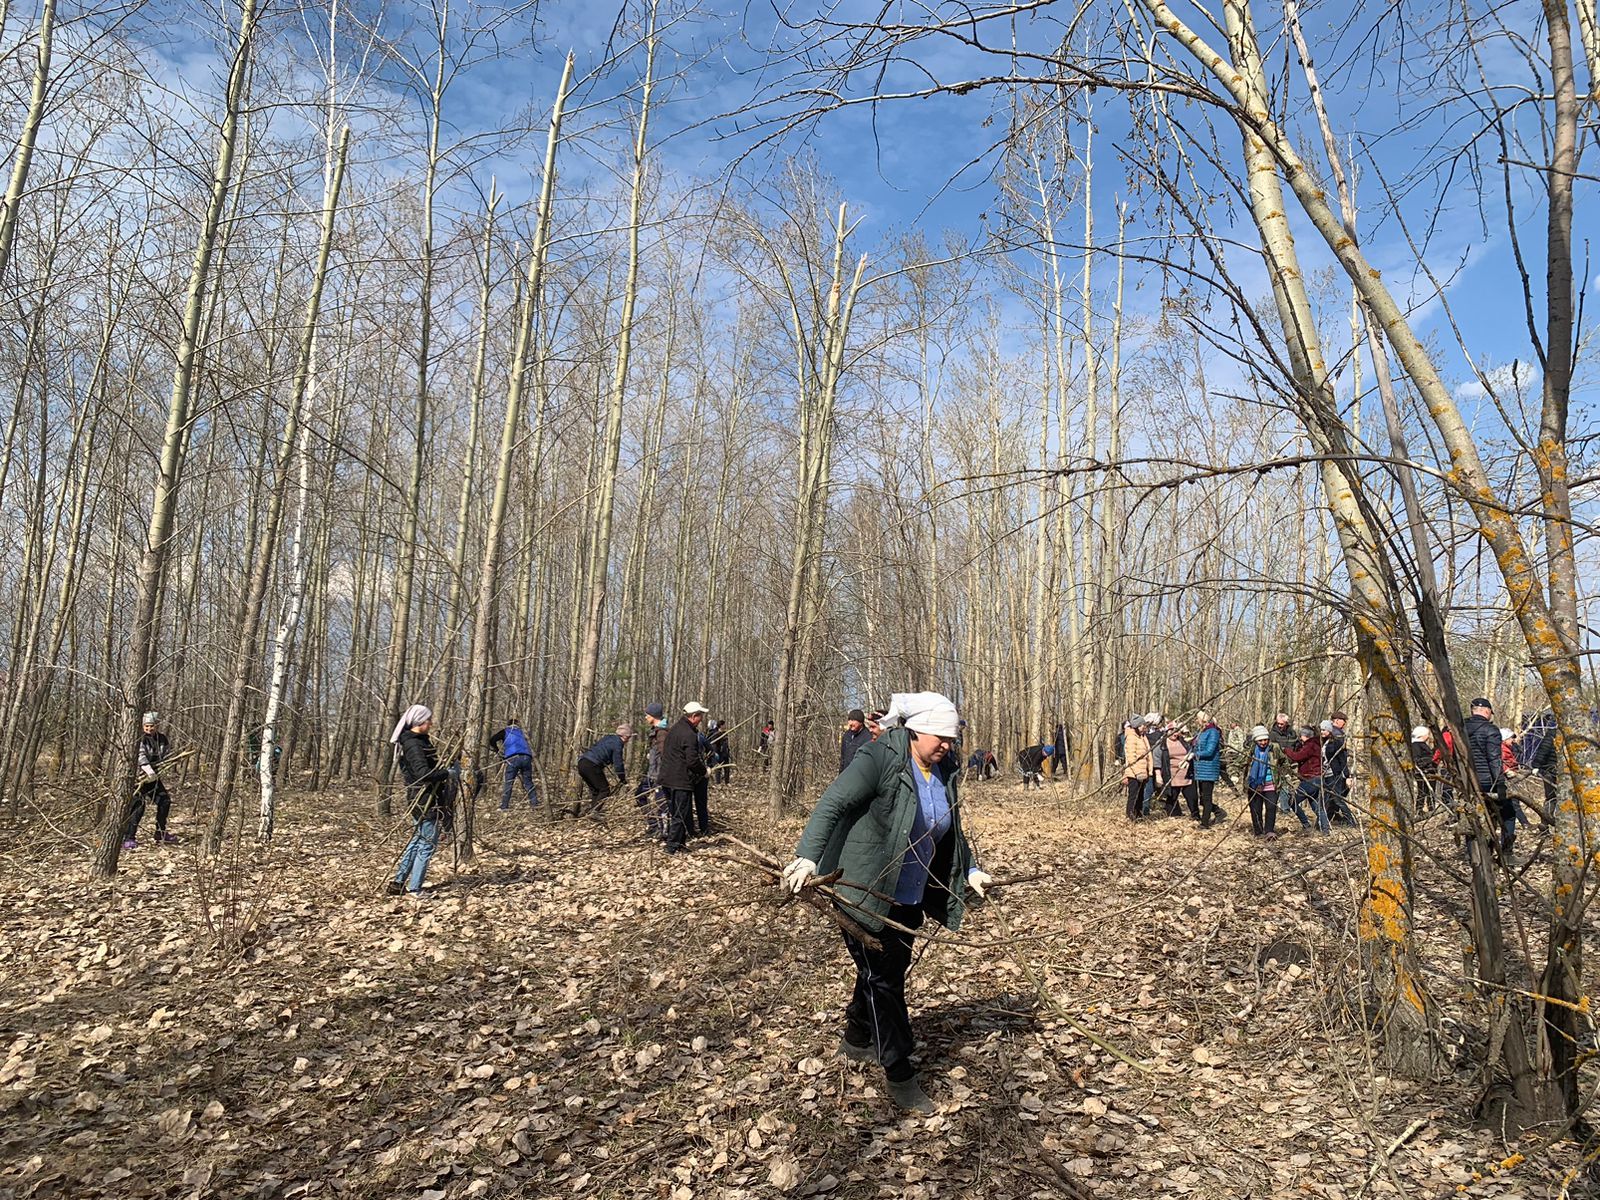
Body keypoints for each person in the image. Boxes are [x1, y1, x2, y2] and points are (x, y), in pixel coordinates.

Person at [781, 692, 994, 1114]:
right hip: (862, 887)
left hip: (910, 892)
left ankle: (856, 1039)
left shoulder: (944, 768)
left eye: (952, 739)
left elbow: (950, 826)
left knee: (884, 970)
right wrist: (807, 856)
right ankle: (900, 1073)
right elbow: (833, 803)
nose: (948, 746)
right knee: (885, 979)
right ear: (916, 731)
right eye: (941, 738)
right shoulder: (879, 759)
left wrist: (970, 869)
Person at [389, 704, 455, 897]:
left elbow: (429, 765)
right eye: (428, 720)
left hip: (426, 797)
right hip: (424, 799)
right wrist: (447, 774)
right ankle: (415, 888)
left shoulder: (420, 741)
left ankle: (398, 882)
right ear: (419, 722)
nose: (431, 723)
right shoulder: (413, 744)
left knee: (417, 840)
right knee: (426, 844)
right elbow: (422, 774)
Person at [1465, 697, 1515, 859]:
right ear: (1487, 711)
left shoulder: (1460, 728)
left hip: (1467, 782)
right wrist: (1500, 783)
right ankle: (1506, 853)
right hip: (1487, 781)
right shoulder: (1490, 730)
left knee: (1472, 815)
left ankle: (1472, 853)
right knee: (1508, 813)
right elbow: (1494, 759)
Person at [123, 711, 179, 849]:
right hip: (139, 778)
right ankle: (129, 838)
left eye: (152, 726)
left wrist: (164, 766)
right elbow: (140, 756)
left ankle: (160, 832)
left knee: (164, 801)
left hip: (153, 778)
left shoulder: (162, 739)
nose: (149, 728)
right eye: (147, 726)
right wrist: (148, 770)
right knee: (138, 807)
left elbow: (166, 755)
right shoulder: (140, 738)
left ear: (157, 725)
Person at [659, 702, 708, 852]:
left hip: (667, 779)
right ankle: (671, 847)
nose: (701, 719)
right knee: (680, 814)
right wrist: (704, 771)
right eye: (700, 716)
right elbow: (692, 760)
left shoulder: (674, 730)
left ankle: (680, 844)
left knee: (678, 813)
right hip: (680, 781)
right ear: (693, 717)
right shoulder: (689, 734)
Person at [574, 724, 632, 818]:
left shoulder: (608, 738)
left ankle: (592, 812)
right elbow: (618, 763)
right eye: (628, 738)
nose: (628, 741)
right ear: (625, 736)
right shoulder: (618, 744)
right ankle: (594, 812)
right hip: (592, 765)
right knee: (605, 789)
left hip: (582, 763)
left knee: (596, 791)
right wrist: (622, 778)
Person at [1285, 726, 1329, 834]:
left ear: (1304, 736)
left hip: (1311, 779)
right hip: (1317, 778)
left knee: (1292, 801)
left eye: (1301, 736)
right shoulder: (1317, 744)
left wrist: (1286, 750)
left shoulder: (1310, 745)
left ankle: (1306, 824)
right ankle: (1325, 829)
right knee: (1316, 806)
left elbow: (1297, 756)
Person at [489, 718, 538, 811]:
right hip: (527, 757)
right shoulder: (523, 732)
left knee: (509, 782)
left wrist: (498, 751)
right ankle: (534, 804)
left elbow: (492, 740)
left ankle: (504, 806)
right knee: (528, 782)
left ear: (508, 724)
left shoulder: (506, 731)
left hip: (513, 758)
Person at [1518, 711, 1558, 820]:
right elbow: (1544, 750)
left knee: (1551, 797)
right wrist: (1536, 765)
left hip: (1550, 771)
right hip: (1553, 771)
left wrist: (1536, 765)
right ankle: (1546, 823)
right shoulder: (1556, 735)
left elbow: (1543, 750)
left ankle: (1546, 822)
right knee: (1553, 798)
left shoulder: (1552, 733)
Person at [1244, 726, 1281, 837]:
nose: (1263, 742)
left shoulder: (1274, 748)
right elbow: (1240, 763)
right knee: (1256, 809)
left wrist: (1287, 776)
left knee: (1271, 807)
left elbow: (1285, 762)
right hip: (1254, 784)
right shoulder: (1250, 750)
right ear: (1255, 740)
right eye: (1260, 740)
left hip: (1271, 783)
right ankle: (1258, 831)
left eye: (1265, 739)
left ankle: (1269, 831)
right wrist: (1234, 774)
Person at [1320, 719, 1355, 826]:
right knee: (1327, 799)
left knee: (1337, 799)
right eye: (1321, 729)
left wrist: (1347, 776)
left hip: (1336, 774)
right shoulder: (1323, 742)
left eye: (1324, 730)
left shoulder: (1336, 742)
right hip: (1326, 775)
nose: (1322, 732)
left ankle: (1351, 821)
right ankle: (1323, 823)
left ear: (1329, 730)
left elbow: (1342, 759)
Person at [1157, 725, 1195, 818]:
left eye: (1176, 731)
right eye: (1172, 731)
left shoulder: (1183, 741)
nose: (1175, 733)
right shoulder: (1162, 744)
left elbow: (1191, 751)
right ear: (1167, 732)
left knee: (1192, 796)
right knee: (1172, 796)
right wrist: (1158, 774)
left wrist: (1188, 759)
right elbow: (1157, 758)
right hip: (1172, 774)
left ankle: (1195, 815)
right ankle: (1173, 814)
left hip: (1186, 773)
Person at [1192, 713, 1223, 827]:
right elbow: (1195, 745)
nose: (1196, 721)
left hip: (1209, 769)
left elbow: (1209, 751)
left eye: (1197, 719)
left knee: (1206, 797)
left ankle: (1205, 823)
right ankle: (1218, 812)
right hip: (1200, 769)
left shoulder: (1213, 732)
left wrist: (1194, 754)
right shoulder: (1201, 732)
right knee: (1202, 798)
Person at [1122, 715, 1151, 820]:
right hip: (1134, 773)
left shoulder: (1142, 737)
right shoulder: (1131, 738)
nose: (1144, 727)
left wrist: (1148, 771)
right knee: (1133, 795)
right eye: (1143, 725)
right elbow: (1131, 757)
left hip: (1142, 772)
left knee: (1140, 796)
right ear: (1138, 726)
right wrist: (1137, 772)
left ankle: (1138, 815)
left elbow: (1148, 754)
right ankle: (1130, 816)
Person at [1222, 722, 1245, 791]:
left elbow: (1241, 741)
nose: (1231, 724)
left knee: (1235, 765)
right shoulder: (1231, 731)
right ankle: (1232, 779)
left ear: (1236, 724)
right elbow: (1229, 741)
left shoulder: (1238, 730)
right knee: (1230, 765)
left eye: (1232, 723)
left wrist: (1241, 751)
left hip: (1236, 750)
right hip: (1230, 750)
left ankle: (1235, 779)